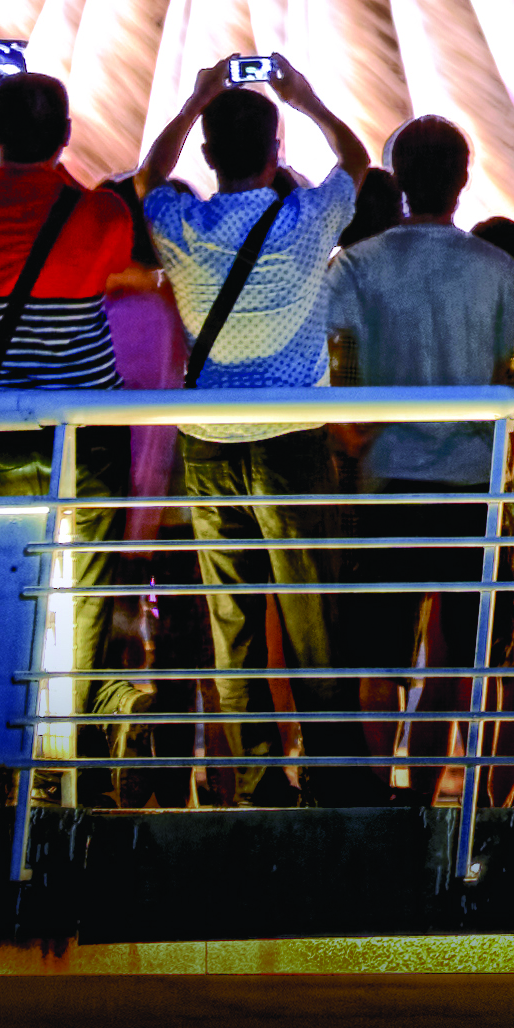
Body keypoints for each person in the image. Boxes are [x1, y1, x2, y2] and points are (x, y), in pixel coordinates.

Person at [137, 58, 374, 804]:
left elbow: (147, 177)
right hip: (291, 441)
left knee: (232, 624)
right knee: (312, 619)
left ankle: (260, 780)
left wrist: (196, 98)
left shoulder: (182, 224)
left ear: (206, 154)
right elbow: (359, 164)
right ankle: (335, 781)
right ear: (276, 146)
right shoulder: (305, 221)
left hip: (208, 443)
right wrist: (307, 97)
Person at [0, 68, 154, 793]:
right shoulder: (97, 216)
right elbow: (108, 233)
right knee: (83, 593)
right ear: (65, 135)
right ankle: (65, 760)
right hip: (81, 431)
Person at [315, 115, 514, 801]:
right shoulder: (497, 269)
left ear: (396, 179)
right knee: (456, 665)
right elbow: (505, 374)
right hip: (470, 483)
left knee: (378, 658)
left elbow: (336, 372)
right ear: (464, 179)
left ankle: (378, 797)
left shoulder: (357, 264)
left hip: (386, 480)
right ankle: (434, 797)